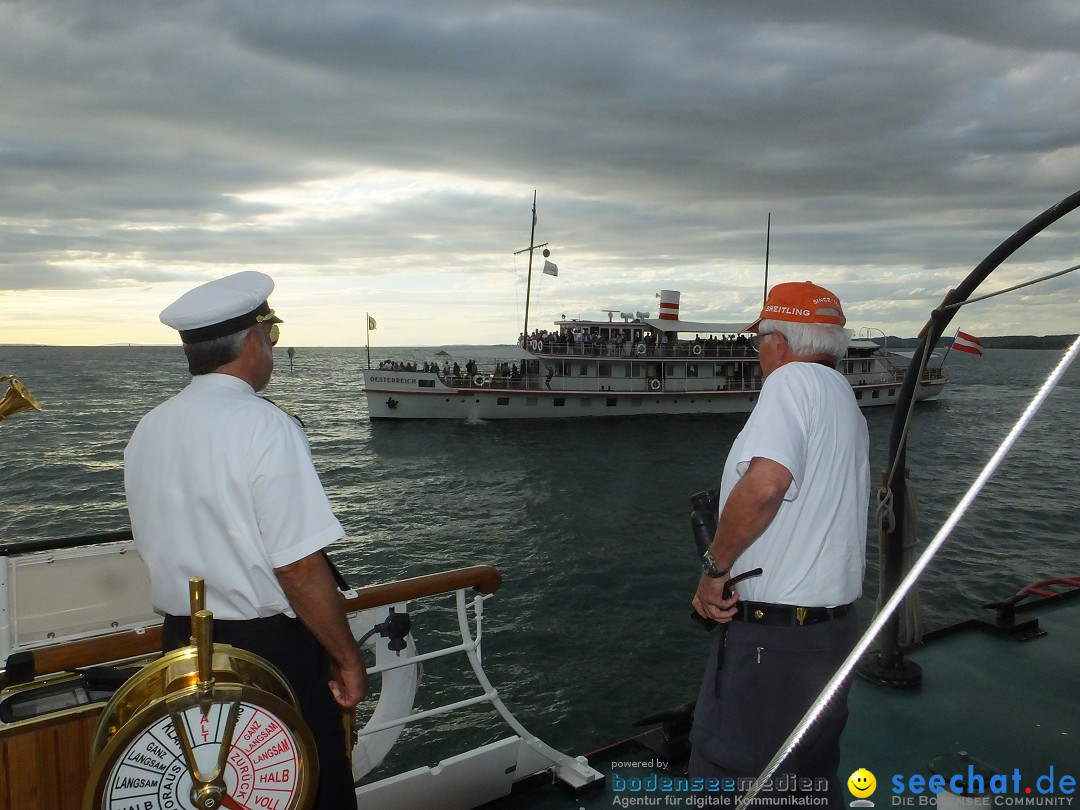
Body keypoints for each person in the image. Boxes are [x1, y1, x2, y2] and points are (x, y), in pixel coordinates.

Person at [124, 271, 366, 810]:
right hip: (267, 654)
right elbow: (298, 568)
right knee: (303, 787)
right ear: (253, 342)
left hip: (181, 649)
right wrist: (347, 658)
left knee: (212, 790)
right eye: (272, 337)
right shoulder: (266, 428)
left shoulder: (150, 428)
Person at [688, 281, 870, 807]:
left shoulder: (789, 384)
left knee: (733, 780)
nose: (759, 353)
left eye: (760, 340)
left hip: (774, 647)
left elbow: (767, 483)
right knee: (806, 782)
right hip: (827, 638)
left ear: (781, 342)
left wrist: (714, 566)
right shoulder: (843, 399)